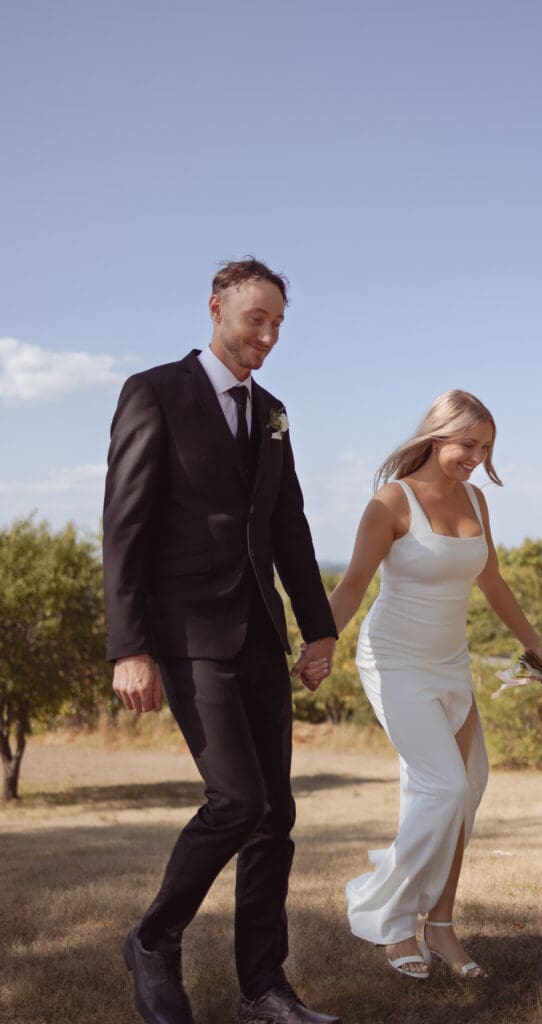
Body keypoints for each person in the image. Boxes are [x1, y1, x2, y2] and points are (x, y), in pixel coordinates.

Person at [102, 258, 341, 1024]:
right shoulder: (154, 392)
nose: (267, 336)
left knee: (275, 817)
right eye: (254, 319)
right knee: (237, 801)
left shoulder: (272, 411)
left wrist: (319, 630)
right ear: (215, 309)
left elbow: (289, 528)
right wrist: (128, 647)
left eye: (277, 324)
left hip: (261, 635)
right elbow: (126, 525)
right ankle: (153, 938)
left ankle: (262, 988)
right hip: (187, 632)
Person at [327, 390, 542, 980]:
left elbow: (493, 580)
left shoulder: (476, 499)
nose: (476, 457)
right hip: (395, 662)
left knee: (468, 788)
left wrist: (534, 643)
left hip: (451, 661)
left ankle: (442, 925)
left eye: (486, 447)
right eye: (467, 444)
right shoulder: (390, 502)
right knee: (444, 788)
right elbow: (353, 585)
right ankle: (393, 918)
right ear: (435, 437)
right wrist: (319, 643)